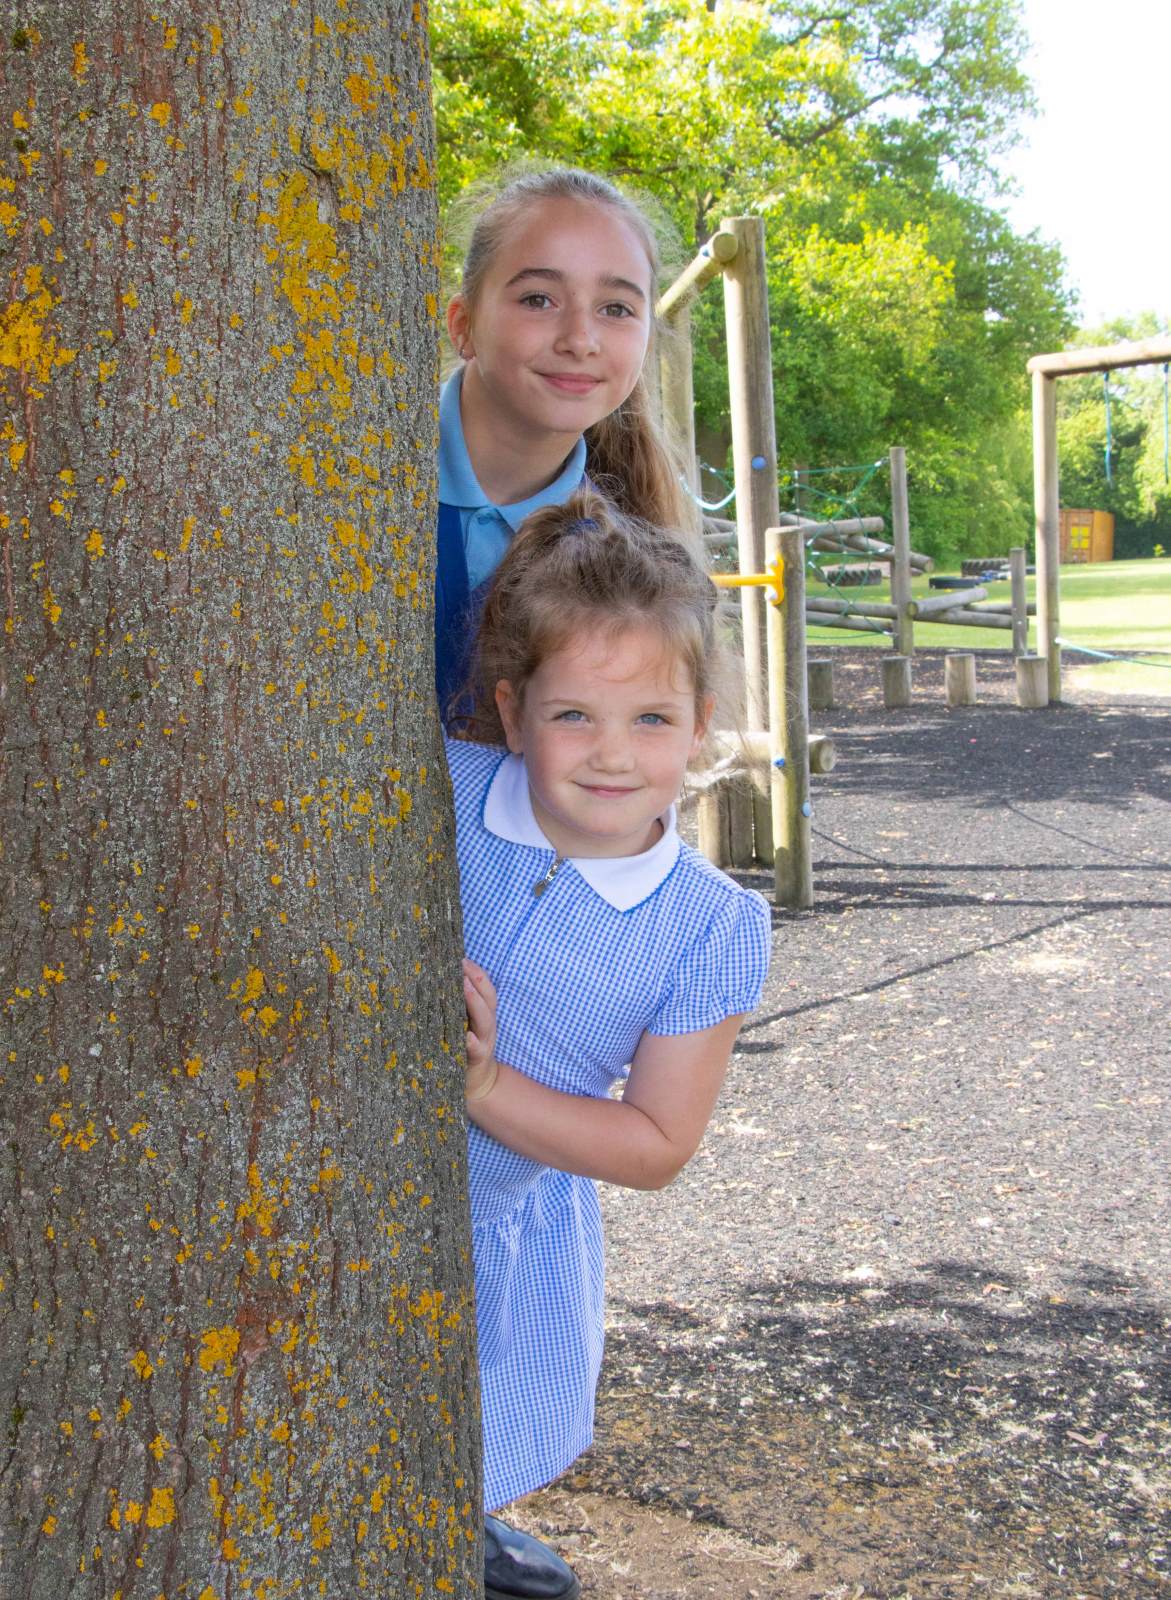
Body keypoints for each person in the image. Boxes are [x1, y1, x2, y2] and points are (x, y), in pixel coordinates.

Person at [449, 491, 772, 1600]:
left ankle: (461, 1526)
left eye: (648, 720)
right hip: (323, 1169)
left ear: (698, 721)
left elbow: (656, 1140)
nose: (610, 755)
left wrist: (484, 1086)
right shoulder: (437, 793)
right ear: (511, 706)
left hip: (493, 1214)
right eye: (572, 715)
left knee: (453, 1431)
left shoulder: (709, 924)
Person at [436, 166, 689, 722]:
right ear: (464, 325)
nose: (580, 339)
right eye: (538, 299)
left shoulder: (630, 559)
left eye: (616, 308)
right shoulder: (359, 484)